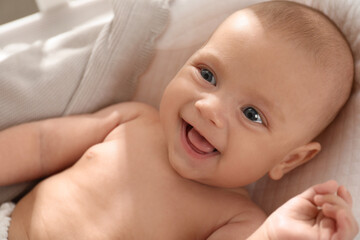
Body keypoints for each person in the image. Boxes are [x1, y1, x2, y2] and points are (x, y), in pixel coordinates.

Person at [0, 1, 358, 239]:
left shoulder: (238, 218)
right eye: (207, 74)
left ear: (289, 159)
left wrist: (274, 234)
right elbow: (42, 145)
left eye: (252, 114)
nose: (209, 108)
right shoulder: (134, 121)